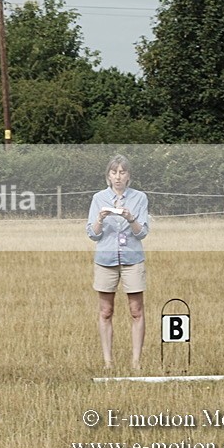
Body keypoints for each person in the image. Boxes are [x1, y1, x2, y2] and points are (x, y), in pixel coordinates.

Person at [86, 154, 149, 370]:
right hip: (106, 259)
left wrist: (131, 219)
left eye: (122, 172)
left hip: (132, 258)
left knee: (136, 310)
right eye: (114, 172)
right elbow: (92, 234)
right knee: (106, 311)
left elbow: (142, 233)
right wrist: (100, 219)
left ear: (128, 175)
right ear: (108, 176)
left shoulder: (140, 198)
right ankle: (108, 362)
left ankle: (136, 362)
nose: (118, 176)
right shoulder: (98, 198)